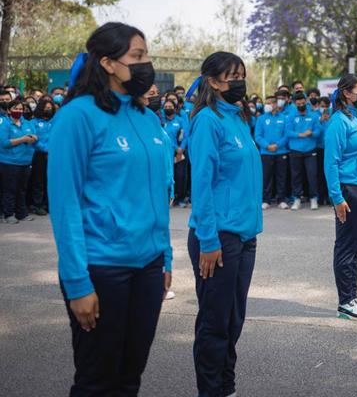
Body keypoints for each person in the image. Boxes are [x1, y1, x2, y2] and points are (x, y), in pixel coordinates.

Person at [48, 22, 172, 395]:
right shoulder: (77, 116)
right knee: (97, 380)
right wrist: (77, 283)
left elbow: (157, 195)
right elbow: (65, 203)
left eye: (146, 55)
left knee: (130, 375)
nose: (146, 64)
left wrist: (165, 258)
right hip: (102, 268)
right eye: (137, 56)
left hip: (149, 267)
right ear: (107, 63)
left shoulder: (147, 117)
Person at [187, 51, 263, 396]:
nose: (239, 82)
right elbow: (201, 183)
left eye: (242, 75)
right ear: (213, 81)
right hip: (217, 235)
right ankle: (211, 390)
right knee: (215, 322)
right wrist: (208, 239)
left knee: (233, 319)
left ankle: (226, 387)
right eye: (233, 76)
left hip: (245, 234)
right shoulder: (207, 120)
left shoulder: (239, 119)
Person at [324, 74, 357, 321]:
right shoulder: (339, 122)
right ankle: (345, 302)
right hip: (350, 191)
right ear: (346, 93)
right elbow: (331, 162)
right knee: (346, 246)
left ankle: (352, 297)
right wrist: (337, 197)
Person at [0, 99, 38, 223]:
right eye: (15, 108)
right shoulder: (4, 124)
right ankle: (8, 214)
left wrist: (33, 138)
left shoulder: (27, 123)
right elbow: (4, 143)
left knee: (22, 189)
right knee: (9, 189)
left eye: (21, 109)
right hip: (9, 162)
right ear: (8, 110)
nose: (18, 111)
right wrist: (22, 139)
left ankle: (22, 213)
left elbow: (35, 136)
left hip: (26, 162)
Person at [287, 91, 321, 210]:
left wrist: (311, 133)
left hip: (310, 150)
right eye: (298, 103)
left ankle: (313, 198)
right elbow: (288, 132)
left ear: (306, 102)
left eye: (302, 102)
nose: (301, 105)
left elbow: (318, 132)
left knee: (312, 175)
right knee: (296, 176)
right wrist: (300, 134)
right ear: (295, 104)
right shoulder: (291, 116)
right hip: (295, 150)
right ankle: (296, 199)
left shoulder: (314, 116)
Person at [255, 95, 289, 210]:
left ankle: (281, 199)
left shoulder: (284, 118)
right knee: (266, 177)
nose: (267, 105)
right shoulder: (261, 119)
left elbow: (286, 135)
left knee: (281, 177)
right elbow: (258, 136)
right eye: (266, 103)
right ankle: (266, 200)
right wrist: (267, 146)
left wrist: (277, 145)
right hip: (266, 152)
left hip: (281, 152)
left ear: (275, 104)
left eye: (269, 103)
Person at [29, 97, 55, 216]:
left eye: (50, 108)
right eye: (46, 108)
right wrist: (46, 149)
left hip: (54, 155)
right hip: (39, 155)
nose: (48, 110)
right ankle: (37, 205)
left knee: (50, 180)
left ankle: (48, 204)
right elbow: (34, 140)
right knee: (39, 180)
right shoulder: (34, 122)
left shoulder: (55, 121)